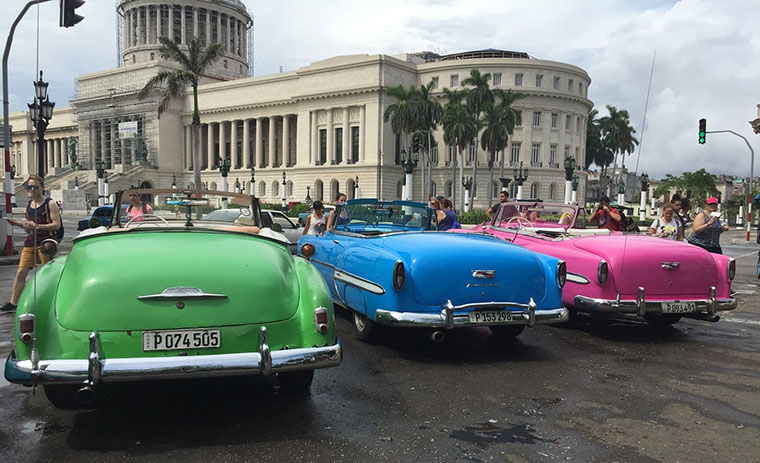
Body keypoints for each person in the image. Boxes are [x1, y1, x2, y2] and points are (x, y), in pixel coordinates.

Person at [1, 176, 61, 314]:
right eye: (30, 187)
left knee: (47, 274)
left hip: (46, 243)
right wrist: (19, 224)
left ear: (42, 188)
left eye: (35, 187)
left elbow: (56, 225)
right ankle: (13, 302)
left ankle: (51, 300)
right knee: (21, 272)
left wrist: (38, 227)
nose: (32, 190)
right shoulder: (29, 204)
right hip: (30, 242)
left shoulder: (50, 203)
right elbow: (29, 227)